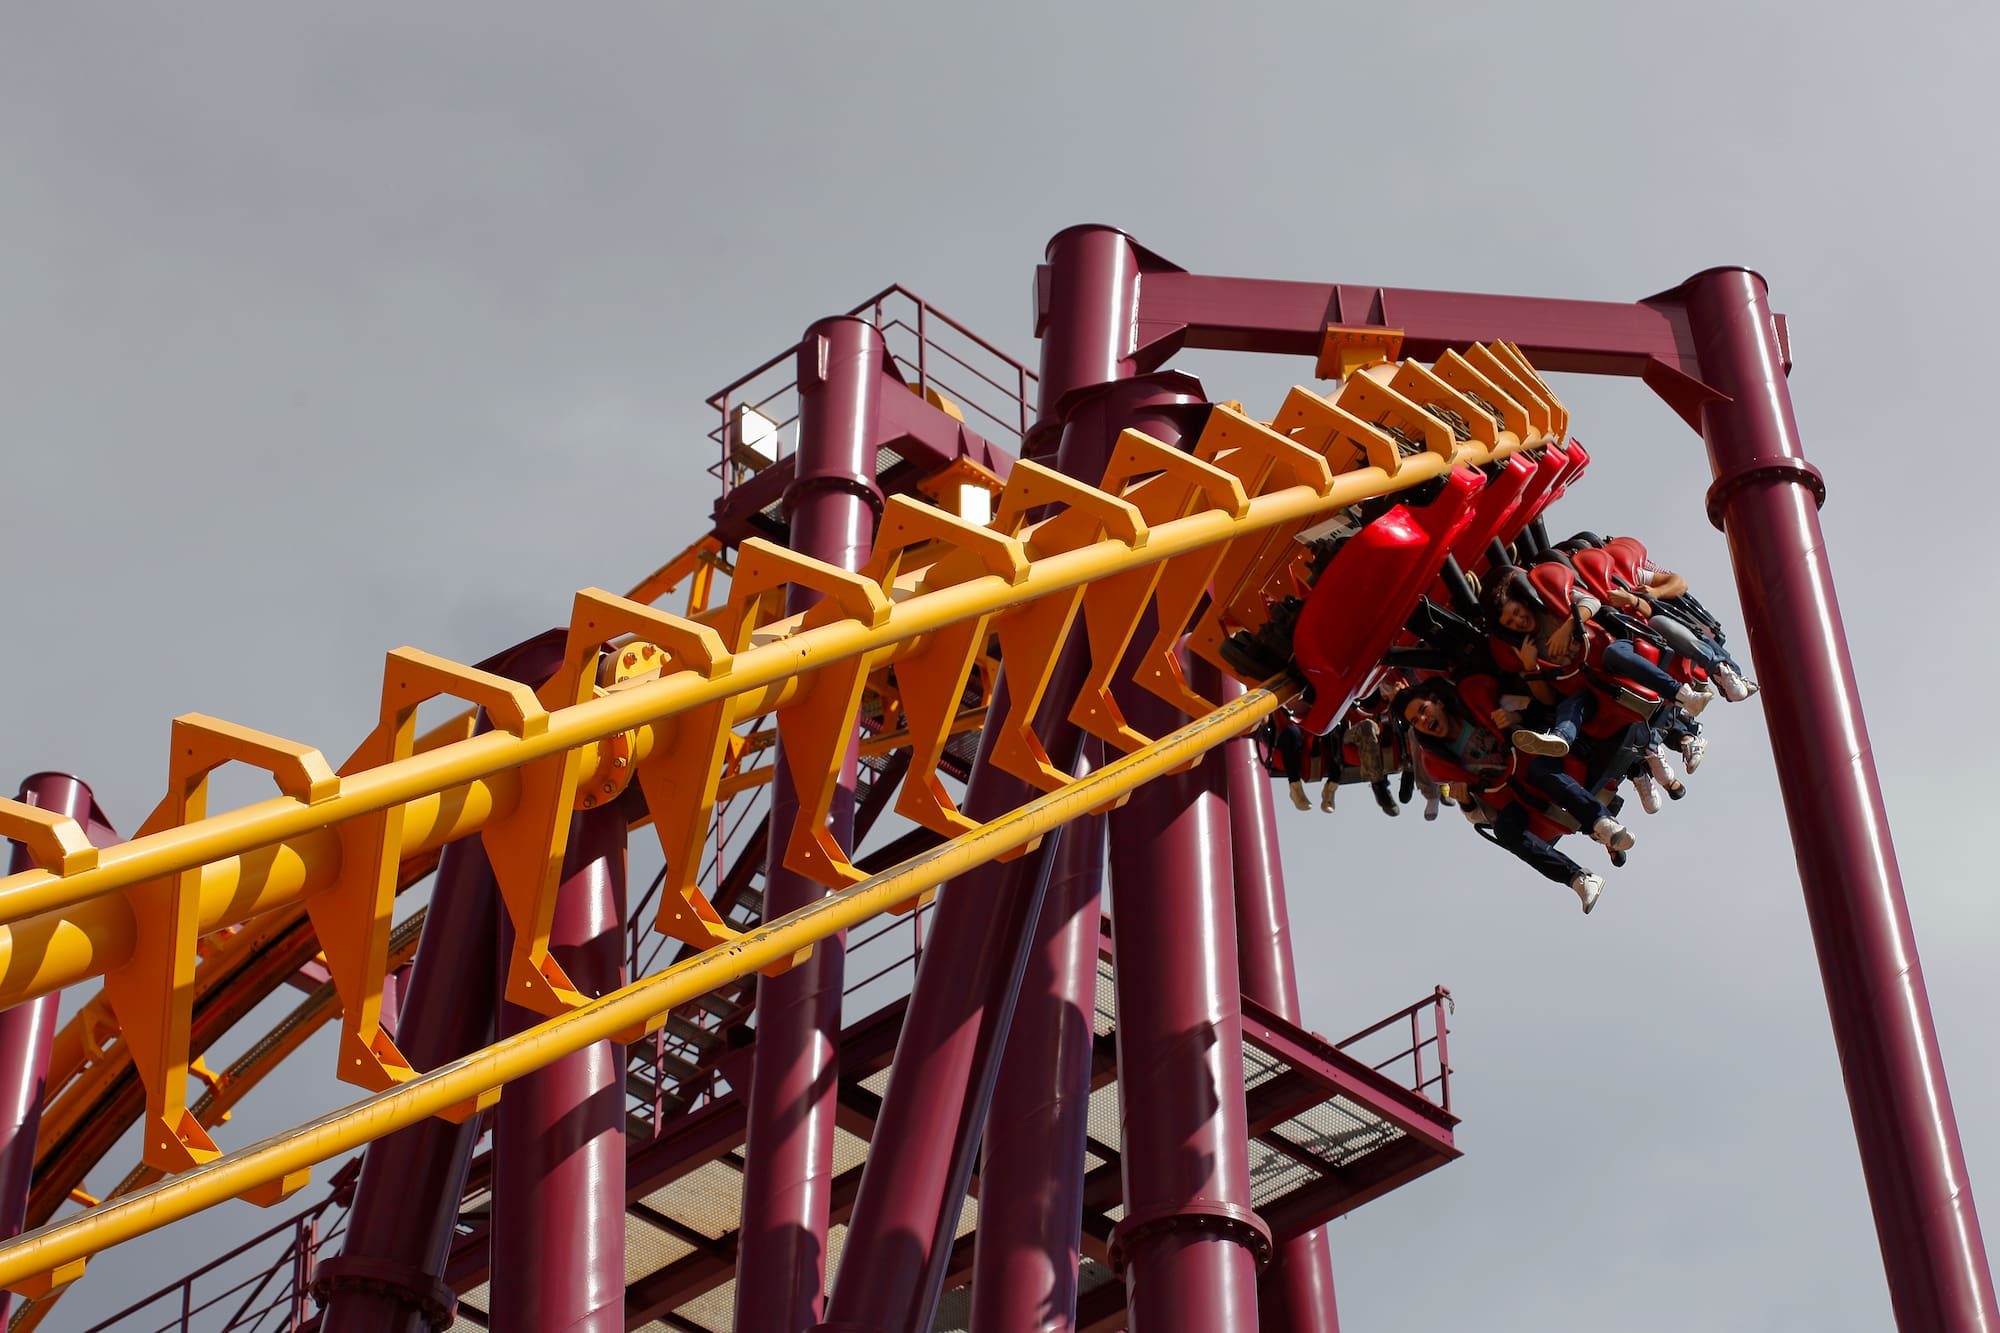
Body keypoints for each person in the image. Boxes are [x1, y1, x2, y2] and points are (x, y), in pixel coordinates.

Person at [1396, 675, 1634, 914]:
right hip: (1516, 797)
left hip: (1538, 762)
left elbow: (1538, 706)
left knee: (1540, 772)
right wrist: (1466, 803)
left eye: (1424, 710)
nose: (1424, 720)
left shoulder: (1475, 701)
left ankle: (1603, 822)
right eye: (1416, 721)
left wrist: (1517, 718)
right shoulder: (1442, 762)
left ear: (1438, 702)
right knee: (1505, 831)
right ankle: (1578, 878)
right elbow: (1480, 816)